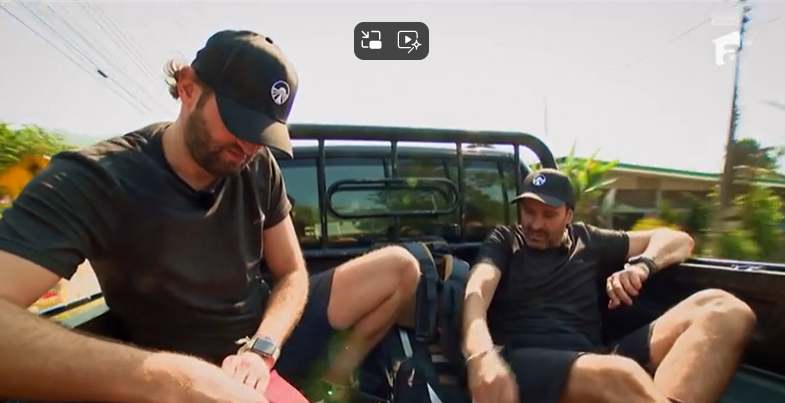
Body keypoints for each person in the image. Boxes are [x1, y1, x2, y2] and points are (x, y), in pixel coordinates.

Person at [0, 29, 419, 403]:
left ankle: (330, 380)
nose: (249, 147)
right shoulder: (96, 179)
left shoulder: (259, 165)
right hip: (182, 372)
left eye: (262, 133)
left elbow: (292, 272)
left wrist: (263, 347)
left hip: (263, 347)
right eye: (240, 123)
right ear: (187, 88)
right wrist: (173, 380)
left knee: (402, 265)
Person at [461, 168, 756, 403]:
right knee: (621, 374)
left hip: (594, 357)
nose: (536, 224)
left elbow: (679, 240)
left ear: (569, 215)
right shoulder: (504, 240)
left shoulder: (589, 240)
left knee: (727, 310)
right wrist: (481, 357)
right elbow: (476, 293)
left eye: (548, 215)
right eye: (529, 212)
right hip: (524, 362)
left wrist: (642, 265)